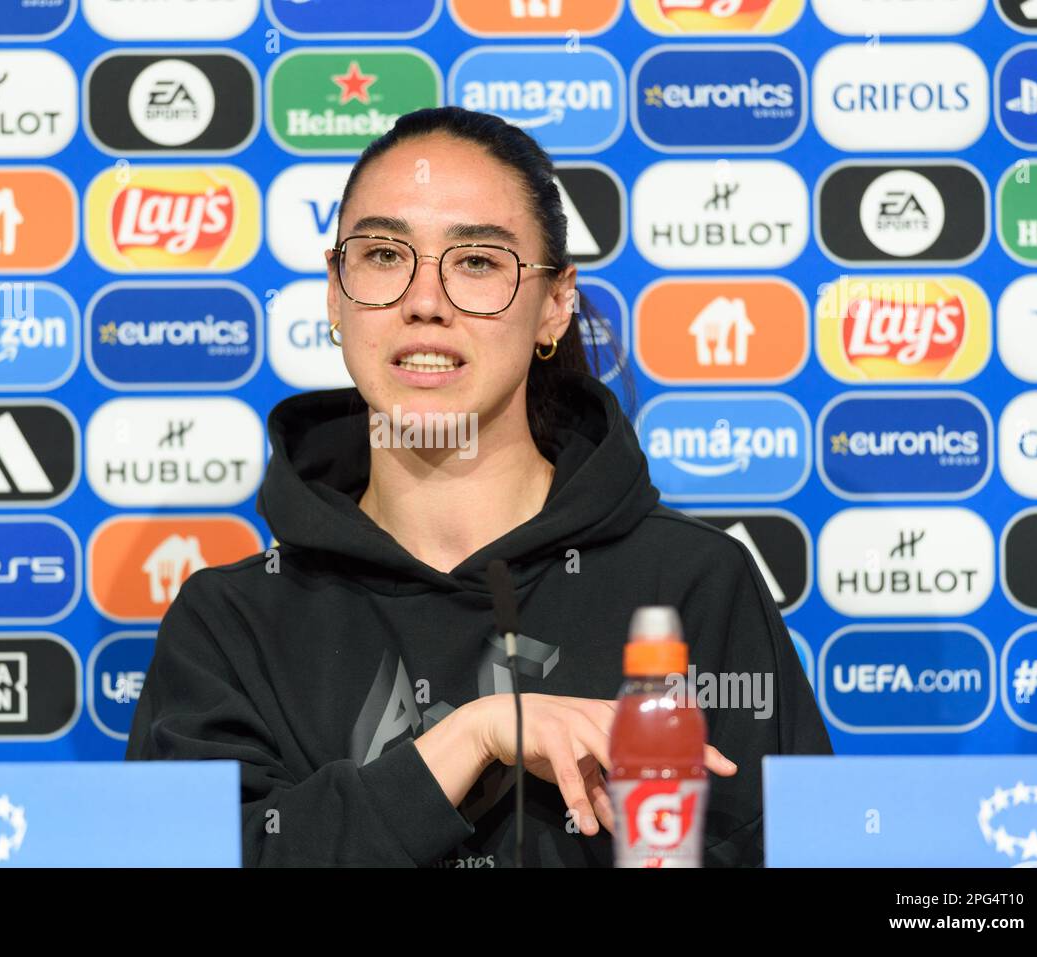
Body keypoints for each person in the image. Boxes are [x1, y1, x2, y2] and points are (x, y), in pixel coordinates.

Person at [126, 106, 833, 867]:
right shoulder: (230, 622)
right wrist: (469, 739)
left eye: (477, 262)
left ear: (554, 305)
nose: (424, 300)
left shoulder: (692, 586)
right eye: (385, 255)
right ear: (335, 295)